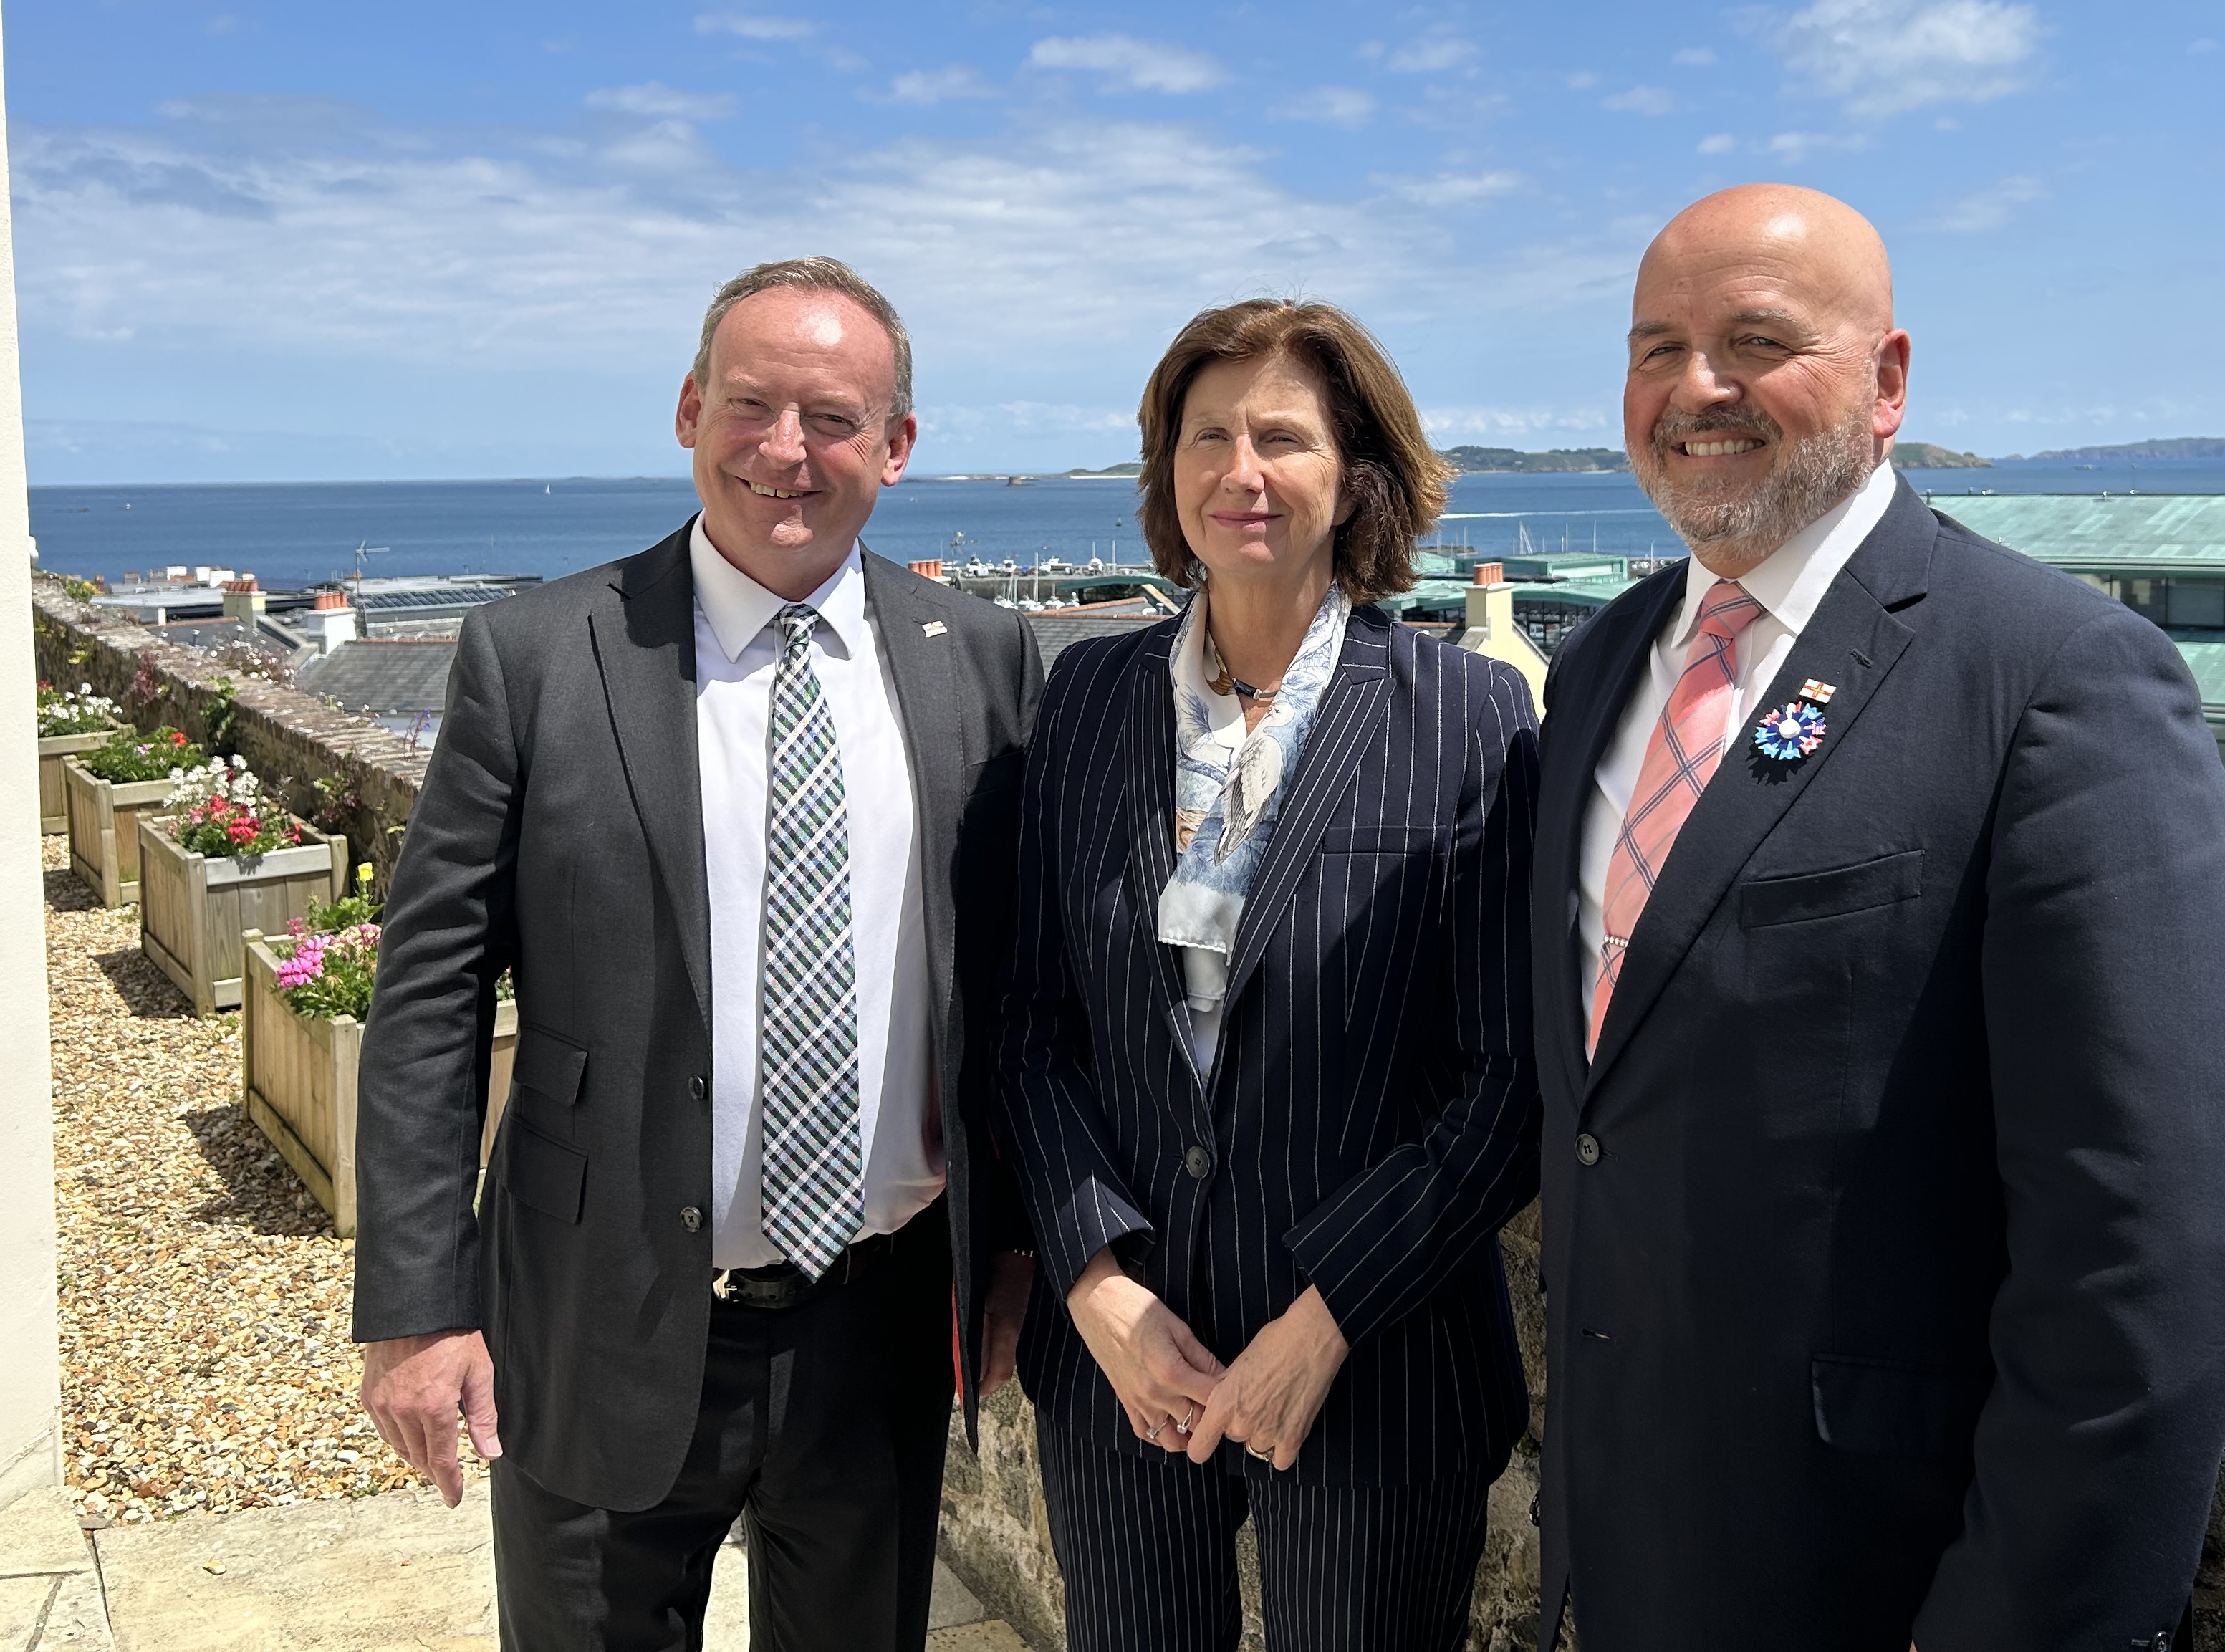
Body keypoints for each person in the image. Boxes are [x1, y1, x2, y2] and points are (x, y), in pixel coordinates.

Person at [1531, 186, 2225, 1652]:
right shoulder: (1602, 664)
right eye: (1657, 347)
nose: (1697, 389)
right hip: (1625, 1547)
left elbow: (2152, 1247)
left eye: (1758, 340)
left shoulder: (2059, 678)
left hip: (1882, 1574)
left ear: (1888, 382)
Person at [350, 258, 1042, 1652]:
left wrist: (1016, 1250)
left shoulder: (978, 658)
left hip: (880, 1328)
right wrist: (418, 1312)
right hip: (602, 1313)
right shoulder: (537, 657)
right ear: (688, 410)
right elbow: (427, 1000)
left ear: (896, 448)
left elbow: (1020, 991)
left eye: (835, 418)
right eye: (752, 405)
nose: (787, 451)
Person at [995, 299, 1541, 1652]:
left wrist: (1331, 1313)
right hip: (1129, 1367)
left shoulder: (1467, 716)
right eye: (1208, 435)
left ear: (1354, 474)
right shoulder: (1082, 701)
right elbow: (1024, 1025)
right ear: (1166, 470)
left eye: (1283, 437)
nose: (1242, 470)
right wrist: (1094, 1283)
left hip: (1377, 1360)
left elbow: (1511, 1071)